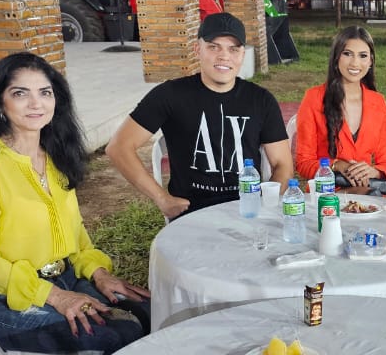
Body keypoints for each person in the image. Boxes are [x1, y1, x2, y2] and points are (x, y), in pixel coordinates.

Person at [0, 53, 150, 355]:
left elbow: (75, 231)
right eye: (20, 93)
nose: (36, 104)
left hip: (66, 277)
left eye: (45, 93)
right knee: (115, 335)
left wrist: (98, 273)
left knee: (149, 311)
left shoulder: (55, 154)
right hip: (7, 298)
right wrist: (56, 296)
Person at [107, 12, 294, 220]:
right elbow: (119, 147)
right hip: (193, 214)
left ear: (242, 54)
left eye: (233, 49)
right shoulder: (170, 95)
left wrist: (266, 204)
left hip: (247, 210)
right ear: (198, 49)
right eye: (214, 47)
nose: (224, 56)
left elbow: (283, 165)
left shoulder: (261, 100)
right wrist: (162, 198)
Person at [294, 26, 386, 192]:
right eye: (347, 54)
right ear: (336, 57)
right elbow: (303, 163)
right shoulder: (314, 98)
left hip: (368, 192)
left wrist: (373, 171)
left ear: (370, 61)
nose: (355, 63)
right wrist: (336, 165)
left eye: (363, 56)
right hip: (326, 193)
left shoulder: (378, 103)